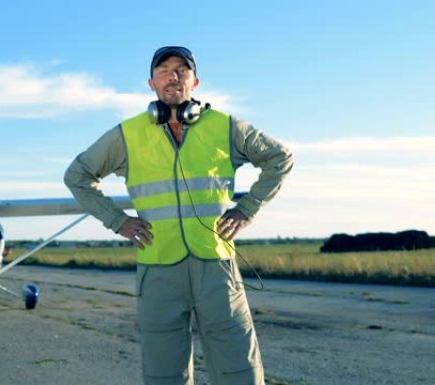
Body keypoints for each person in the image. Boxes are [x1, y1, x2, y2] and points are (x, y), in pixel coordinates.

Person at [64, 46, 293, 385]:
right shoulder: (127, 134)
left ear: (195, 81)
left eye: (181, 70)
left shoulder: (226, 127)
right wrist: (117, 221)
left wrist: (247, 209)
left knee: (240, 371)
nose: (173, 76)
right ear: (151, 84)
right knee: (163, 375)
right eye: (164, 70)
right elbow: (77, 176)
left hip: (216, 268)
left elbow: (280, 158)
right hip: (158, 268)